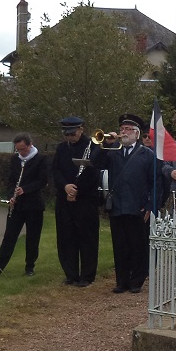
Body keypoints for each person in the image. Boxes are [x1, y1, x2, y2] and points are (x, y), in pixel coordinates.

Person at [99, 113, 155, 294]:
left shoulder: (146, 154)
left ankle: (136, 280)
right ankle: (121, 281)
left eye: (128, 129)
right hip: (118, 206)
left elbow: (155, 182)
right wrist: (105, 144)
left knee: (138, 245)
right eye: (122, 129)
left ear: (137, 134)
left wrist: (149, 205)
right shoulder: (113, 151)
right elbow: (95, 162)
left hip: (137, 207)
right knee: (120, 245)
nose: (123, 132)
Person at [0, 132, 47, 275]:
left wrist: (25, 189)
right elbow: (11, 181)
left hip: (34, 205)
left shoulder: (40, 159)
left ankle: (30, 267)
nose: (21, 152)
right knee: (9, 236)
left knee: (32, 237)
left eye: (23, 149)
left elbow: (42, 181)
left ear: (30, 145)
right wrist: (11, 195)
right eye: (18, 149)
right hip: (17, 206)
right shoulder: (15, 160)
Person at [52, 116, 100, 287]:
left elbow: (93, 174)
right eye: (67, 135)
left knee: (87, 237)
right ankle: (70, 273)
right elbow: (55, 170)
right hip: (65, 198)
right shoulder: (61, 148)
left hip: (85, 199)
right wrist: (65, 187)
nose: (69, 138)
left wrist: (77, 190)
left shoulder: (93, 147)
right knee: (66, 237)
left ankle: (87, 275)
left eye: (72, 134)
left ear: (81, 130)